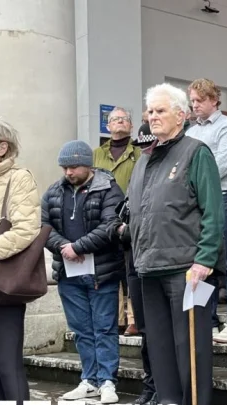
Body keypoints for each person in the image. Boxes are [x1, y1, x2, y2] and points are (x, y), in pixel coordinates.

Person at [131, 83, 224, 405]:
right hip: (149, 268)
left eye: (159, 111)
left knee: (191, 351)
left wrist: (205, 259)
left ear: (181, 115)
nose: (152, 117)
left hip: (187, 270)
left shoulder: (195, 153)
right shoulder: (144, 160)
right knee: (162, 352)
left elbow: (213, 212)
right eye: (149, 112)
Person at [43, 140, 125, 404]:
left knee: (105, 328)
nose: (68, 172)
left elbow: (111, 225)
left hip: (102, 272)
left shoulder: (108, 188)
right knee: (81, 330)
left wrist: (77, 246)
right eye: (65, 167)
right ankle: (89, 380)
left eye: (74, 166)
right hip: (69, 274)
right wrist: (64, 248)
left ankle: (108, 381)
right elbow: (44, 227)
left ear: (88, 165)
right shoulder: (54, 191)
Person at [185, 78, 227, 337]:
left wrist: (190, 178)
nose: (195, 105)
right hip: (196, 201)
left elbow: (222, 164)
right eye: (192, 101)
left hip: (224, 196)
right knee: (200, 260)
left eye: (199, 100)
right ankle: (203, 318)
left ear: (214, 100)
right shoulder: (190, 131)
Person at [0, 119, 41, 405]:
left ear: (2, 147)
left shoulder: (19, 178)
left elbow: (27, 229)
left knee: (7, 365)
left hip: (4, 287)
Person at [93, 107, 142, 335]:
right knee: (110, 269)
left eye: (123, 119)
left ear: (131, 126)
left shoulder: (139, 151)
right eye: (114, 119)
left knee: (130, 267)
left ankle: (133, 317)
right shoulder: (97, 153)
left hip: (131, 216)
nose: (119, 122)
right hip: (104, 217)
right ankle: (117, 318)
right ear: (108, 126)